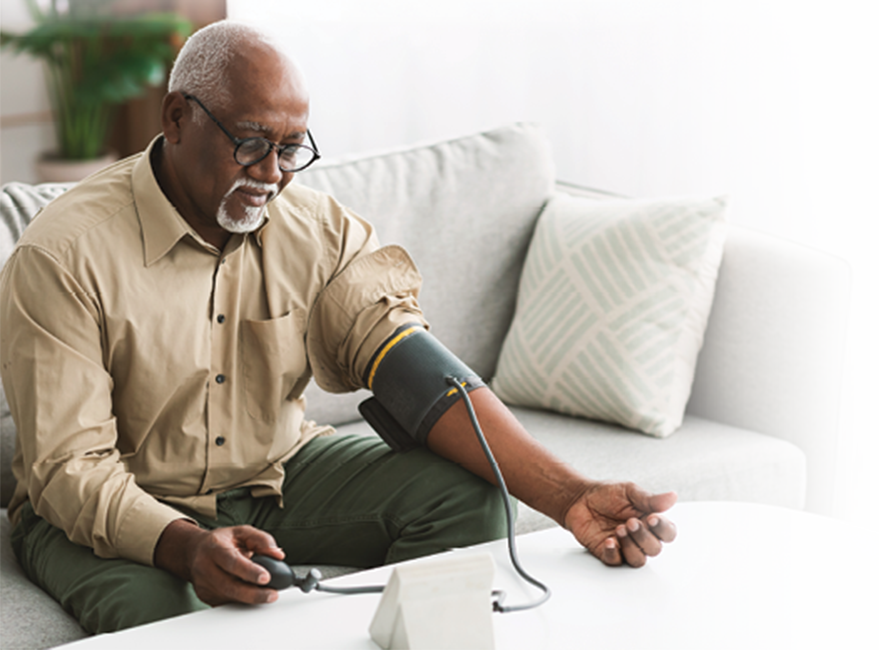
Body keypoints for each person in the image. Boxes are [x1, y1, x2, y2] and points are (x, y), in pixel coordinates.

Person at [0, 21, 677, 634]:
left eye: (291, 149)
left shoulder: (318, 230)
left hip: (273, 474)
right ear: (176, 117)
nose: (271, 174)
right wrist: (182, 545)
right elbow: (70, 469)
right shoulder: (63, 254)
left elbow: (416, 373)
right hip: (106, 507)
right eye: (250, 144)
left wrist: (571, 497)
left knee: (470, 502)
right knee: (170, 619)